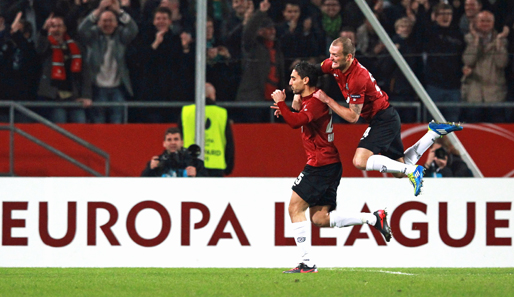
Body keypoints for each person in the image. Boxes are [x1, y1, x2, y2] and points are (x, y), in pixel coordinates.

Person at [271, 61, 391, 274]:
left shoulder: (316, 101)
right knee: (319, 219)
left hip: (321, 164)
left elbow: (296, 122)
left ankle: (306, 263)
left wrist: (282, 104)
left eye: (293, 78)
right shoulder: (310, 99)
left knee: (294, 208)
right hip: (329, 164)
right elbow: (298, 117)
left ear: (305, 80)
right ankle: (373, 218)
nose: (289, 82)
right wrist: (290, 108)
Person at [313, 37, 463, 196]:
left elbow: (352, 117)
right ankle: (432, 133)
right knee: (398, 172)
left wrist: (327, 100)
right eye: (330, 54)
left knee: (360, 161)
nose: (331, 58)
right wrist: (297, 91)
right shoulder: (335, 64)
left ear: (348, 57)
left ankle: (412, 170)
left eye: (335, 55)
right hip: (387, 116)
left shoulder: (357, 78)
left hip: (383, 119)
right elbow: (312, 69)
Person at [78, 0, 138, 123]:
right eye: (104, 21)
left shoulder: (121, 37)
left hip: (117, 88)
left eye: (111, 20)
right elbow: (81, 30)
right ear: (98, 23)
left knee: (117, 124)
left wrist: (119, 11)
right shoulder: (93, 36)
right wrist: (99, 10)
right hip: (98, 88)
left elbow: (133, 29)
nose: (108, 24)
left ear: (117, 23)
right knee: (98, 123)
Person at [36, 13, 92, 123]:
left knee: (80, 123)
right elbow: (39, 48)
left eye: (59, 26)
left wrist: (86, 95)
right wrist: (43, 30)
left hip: (74, 96)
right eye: (53, 26)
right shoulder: (47, 46)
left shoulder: (76, 47)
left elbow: (85, 73)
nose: (56, 29)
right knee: (59, 123)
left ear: (65, 28)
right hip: (54, 97)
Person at [235, 0, 285, 122]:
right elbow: (248, 32)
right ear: (260, 31)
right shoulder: (252, 47)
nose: (272, 31)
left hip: (273, 102)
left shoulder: (277, 49)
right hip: (253, 101)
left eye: (273, 28)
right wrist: (260, 13)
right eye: (268, 29)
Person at [461, 10, 509, 123]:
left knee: (495, 133)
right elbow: (468, 60)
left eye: (488, 21)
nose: (485, 23)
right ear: (476, 22)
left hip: (495, 94)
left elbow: (502, 63)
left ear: (493, 23)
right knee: (473, 132)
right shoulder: (468, 39)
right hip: (474, 94)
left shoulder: (502, 41)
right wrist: (475, 43)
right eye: (482, 21)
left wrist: (498, 45)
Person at [179, 82, 235, 177]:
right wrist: (229, 166)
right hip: (216, 165)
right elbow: (229, 142)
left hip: (191, 165)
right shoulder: (221, 113)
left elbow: (179, 139)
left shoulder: (186, 112)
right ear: (210, 95)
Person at [141, 127, 208, 177]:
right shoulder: (157, 163)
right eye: (169, 140)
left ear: (182, 142)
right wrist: (150, 169)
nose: (173, 142)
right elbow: (141, 184)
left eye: (176, 139)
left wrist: (197, 175)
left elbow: (209, 184)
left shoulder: (196, 163)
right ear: (164, 143)